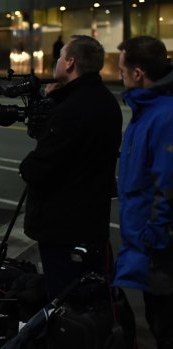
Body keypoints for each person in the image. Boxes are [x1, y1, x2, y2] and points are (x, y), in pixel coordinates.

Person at [19, 35, 122, 300]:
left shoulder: (72, 109)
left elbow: (40, 166)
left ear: (70, 63)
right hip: (92, 221)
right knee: (91, 297)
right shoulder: (107, 101)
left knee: (64, 300)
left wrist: (27, 165)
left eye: (60, 56)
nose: (57, 61)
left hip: (62, 226)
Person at [114, 36, 173, 349]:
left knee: (164, 327)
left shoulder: (163, 115)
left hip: (160, 253)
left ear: (138, 73)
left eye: (122, 70)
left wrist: (153, 239)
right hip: (149, 248)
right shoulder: (145, 111)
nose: (119, 75)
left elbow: (168, 188)